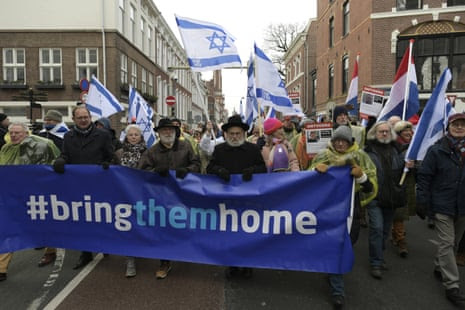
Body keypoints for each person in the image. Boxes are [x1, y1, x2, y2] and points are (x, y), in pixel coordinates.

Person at [310, 125, 377, 309]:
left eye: (344, 140)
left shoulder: (361, 157)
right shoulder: (322, 155)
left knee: (348, 240)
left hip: (349, 208)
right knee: (335, 245)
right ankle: (338, 290)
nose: (340, 143)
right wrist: (316, 170)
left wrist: (361, 177)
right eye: (337, 140)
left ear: (350, 142)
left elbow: (371, 187)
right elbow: (306, 181)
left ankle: (332, 270)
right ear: (332, 141)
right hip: (327, 207)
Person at [53, 106, 114, 270]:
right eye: (79, 117)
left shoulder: (103, 135)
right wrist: (61, 160)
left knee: (100, 217)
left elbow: (112, 156)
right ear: (74, 119)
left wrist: (108, 164)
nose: (83, 120)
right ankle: (85, 253)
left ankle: (104, 244)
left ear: (90, 117)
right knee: (83, 220)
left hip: (99, 184)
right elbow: (65, 154)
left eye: (86, 117)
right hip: (78, 185)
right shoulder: (68, 136)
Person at [138, 118, 200, 279]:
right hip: (161, 198)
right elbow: (141, 171)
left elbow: (197, 164)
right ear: (158, 133)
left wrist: (186, 170)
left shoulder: (186, 147)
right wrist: (155, 171)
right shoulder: (152, 151)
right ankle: (164, 262)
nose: (167, 132)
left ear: (175, 132)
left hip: (183, 196)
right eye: (164, 130)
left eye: (170, 130)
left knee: (184, 227)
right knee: (163, 229)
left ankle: (185, 253)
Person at [207, 115, 267, 279]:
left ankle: (247, 264)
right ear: (226, 134)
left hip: (248, 200)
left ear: (243, 133)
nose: (234, 136)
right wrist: (219, 171)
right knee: (230, 233)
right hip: (226, 200)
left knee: (247, 233)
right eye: (231, 133)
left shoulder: (253, 149)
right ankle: (232, 264)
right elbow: (209, 168)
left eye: (238, 133)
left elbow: (263, 168)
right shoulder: (219, 150)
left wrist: (252, 171)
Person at [0, 122, 60, 281]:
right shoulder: (6, 148)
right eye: (11, 132)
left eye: (17, 133)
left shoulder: (42, 146)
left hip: (35, 195)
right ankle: (1, 268)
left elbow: (52, 166)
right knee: (7, 228)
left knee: (42, 224)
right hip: (12, 195)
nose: (13, 135)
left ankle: (50, 251)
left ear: (25, 133)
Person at [416, 113, 465, 306]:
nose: (460, 128)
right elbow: (425, 177)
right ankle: (452, 286)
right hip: (442, 204)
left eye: (462, 125)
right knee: (447, 242)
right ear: (448, 127)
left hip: (463, 206)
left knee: (453, 243)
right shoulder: (436, 151)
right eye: (456, 124)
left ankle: (439, 266)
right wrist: (422, 200)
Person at [364, 121, 406, 280]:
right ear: (375, 133)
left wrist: (410, 165)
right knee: (376, 227)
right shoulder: (367, 151)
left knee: (385, 230)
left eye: (387, 131)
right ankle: (375, 262)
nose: (384, 134)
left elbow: (403, 171)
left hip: (392, 197)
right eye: (381, 131)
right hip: (374, 196)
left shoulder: (398, 150)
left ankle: (379, 255)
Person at [113, 124, 147, 278]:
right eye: (131, 135)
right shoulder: (118, 153)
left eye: (136, 135)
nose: (133, 137)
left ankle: (140, 249)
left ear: (141, 137)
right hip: (123, 196)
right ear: (126, 137)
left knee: (140, 225)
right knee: (127, 226)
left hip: (142, 196)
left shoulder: (148, 152)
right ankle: (130, 260)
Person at [391, 120, 415, 258]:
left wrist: (414, 165)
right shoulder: (393, 146)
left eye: (409, 131)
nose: (408, 133)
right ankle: (401, 240)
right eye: (405, 131)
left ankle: (396, 233)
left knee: (401, 212)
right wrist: (402, 163)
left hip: (409, 182)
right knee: (399, 213)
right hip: (396, 182)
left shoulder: (414, 146)